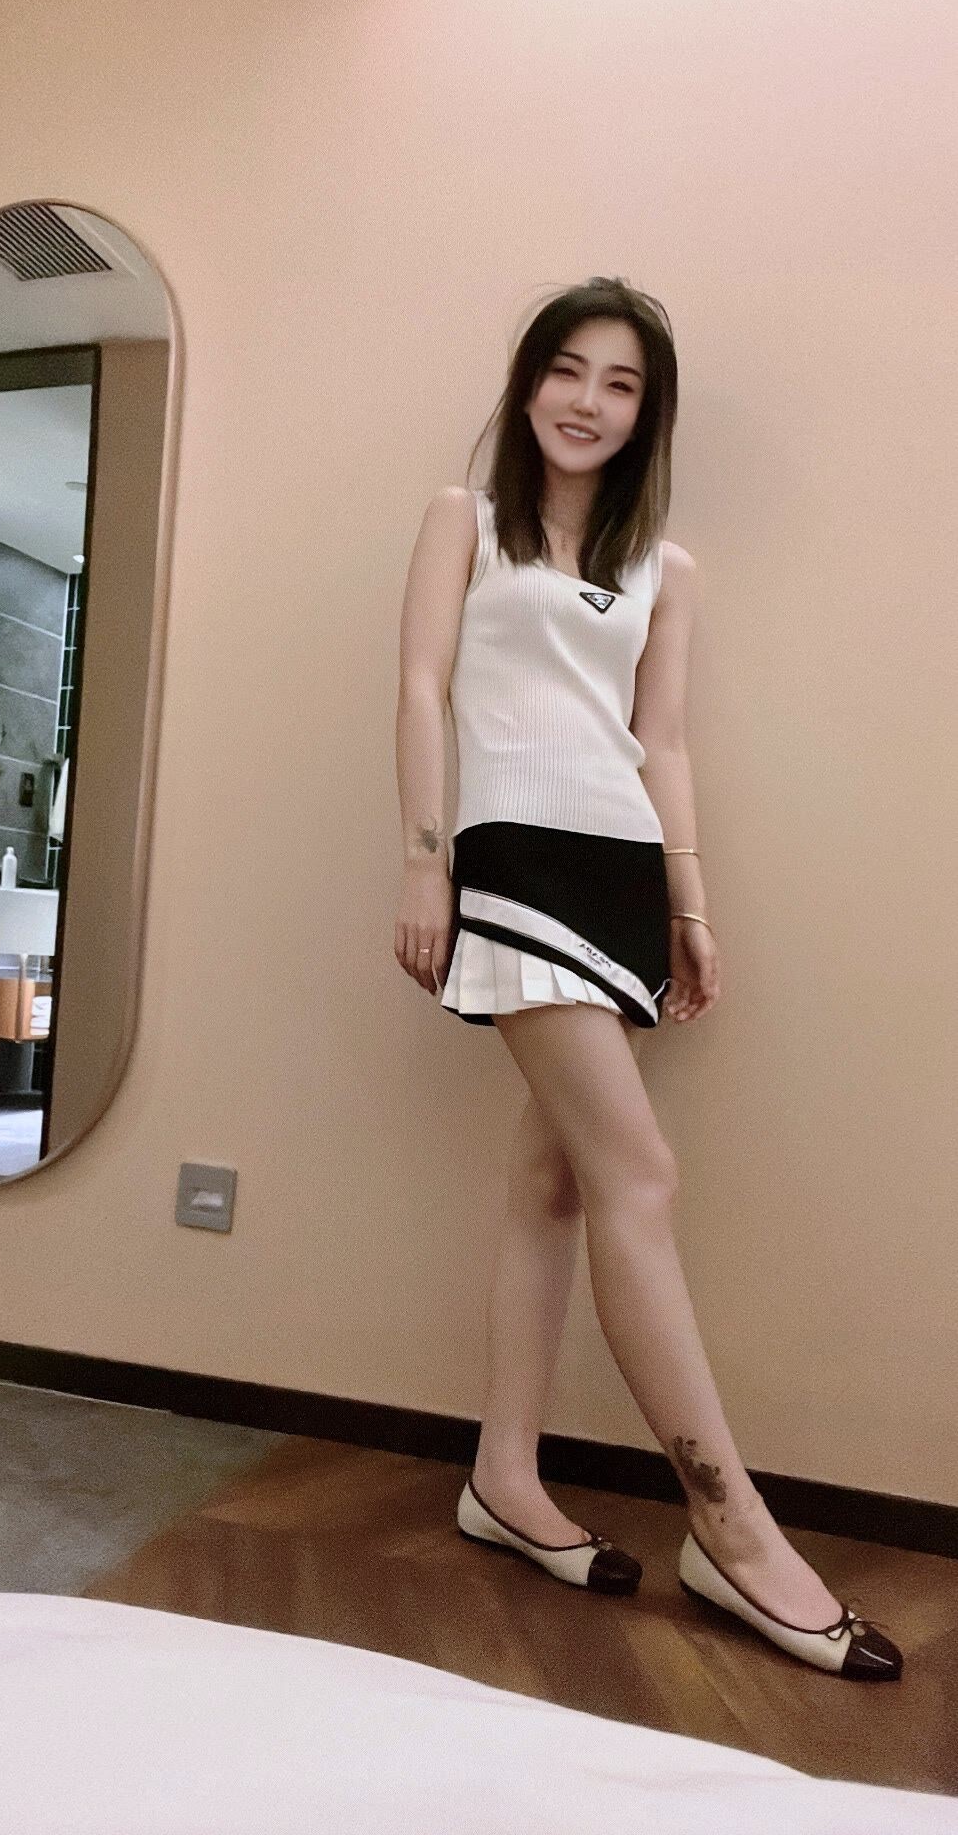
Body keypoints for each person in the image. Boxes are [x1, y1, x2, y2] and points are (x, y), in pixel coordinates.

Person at [394, 275, 901, 1680]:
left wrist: (691, 906)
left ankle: (503, 1475)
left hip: (620, 873)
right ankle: (729, 1526)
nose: (587, 402)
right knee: (641, 1175)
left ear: (645, 415)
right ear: (527, 384)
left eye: (620, 384)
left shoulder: (666, 569)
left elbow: (659, 740)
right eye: (567, 370)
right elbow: (421, 687)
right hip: (511, 861)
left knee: (555, 1181)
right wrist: (425, 863)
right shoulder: (462, 521)